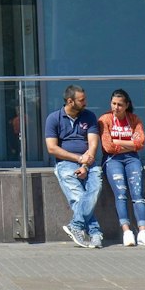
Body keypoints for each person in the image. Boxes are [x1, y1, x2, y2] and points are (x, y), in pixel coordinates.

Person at [45, 84, 103, 248]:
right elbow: (52, 148)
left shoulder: (89, 116)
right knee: (79, 197)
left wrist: (85, 164)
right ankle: (95, 233)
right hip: (66, 163)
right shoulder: (53, 118)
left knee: (95, 188)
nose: (85, 102)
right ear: (70, 101)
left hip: (89, 162)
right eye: (81, 100)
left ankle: (76, 226)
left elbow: (93, 143)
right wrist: (78, 159)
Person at [100, 88, 145, 247]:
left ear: (126, 105)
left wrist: (118, 142)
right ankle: (127, 231)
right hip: (112, 160)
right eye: (113, 104)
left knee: (137, 193)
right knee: (121, 193)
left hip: (132, 160)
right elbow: (108, 146)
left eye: (119, 105)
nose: (116, 107)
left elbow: (140, 143)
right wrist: (129, 145)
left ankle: (143, 232)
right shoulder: (105, 119)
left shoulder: (134, 119)